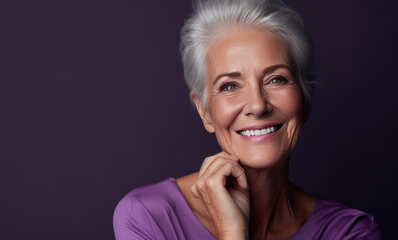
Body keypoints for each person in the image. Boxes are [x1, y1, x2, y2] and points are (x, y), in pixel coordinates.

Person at [113, 0, 382, 239]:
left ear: (306, 99)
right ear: (204, 111)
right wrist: (231, 232)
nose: (257, 105)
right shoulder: (148, 217)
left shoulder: (350, 232)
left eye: (276, 79)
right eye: (230, 86)